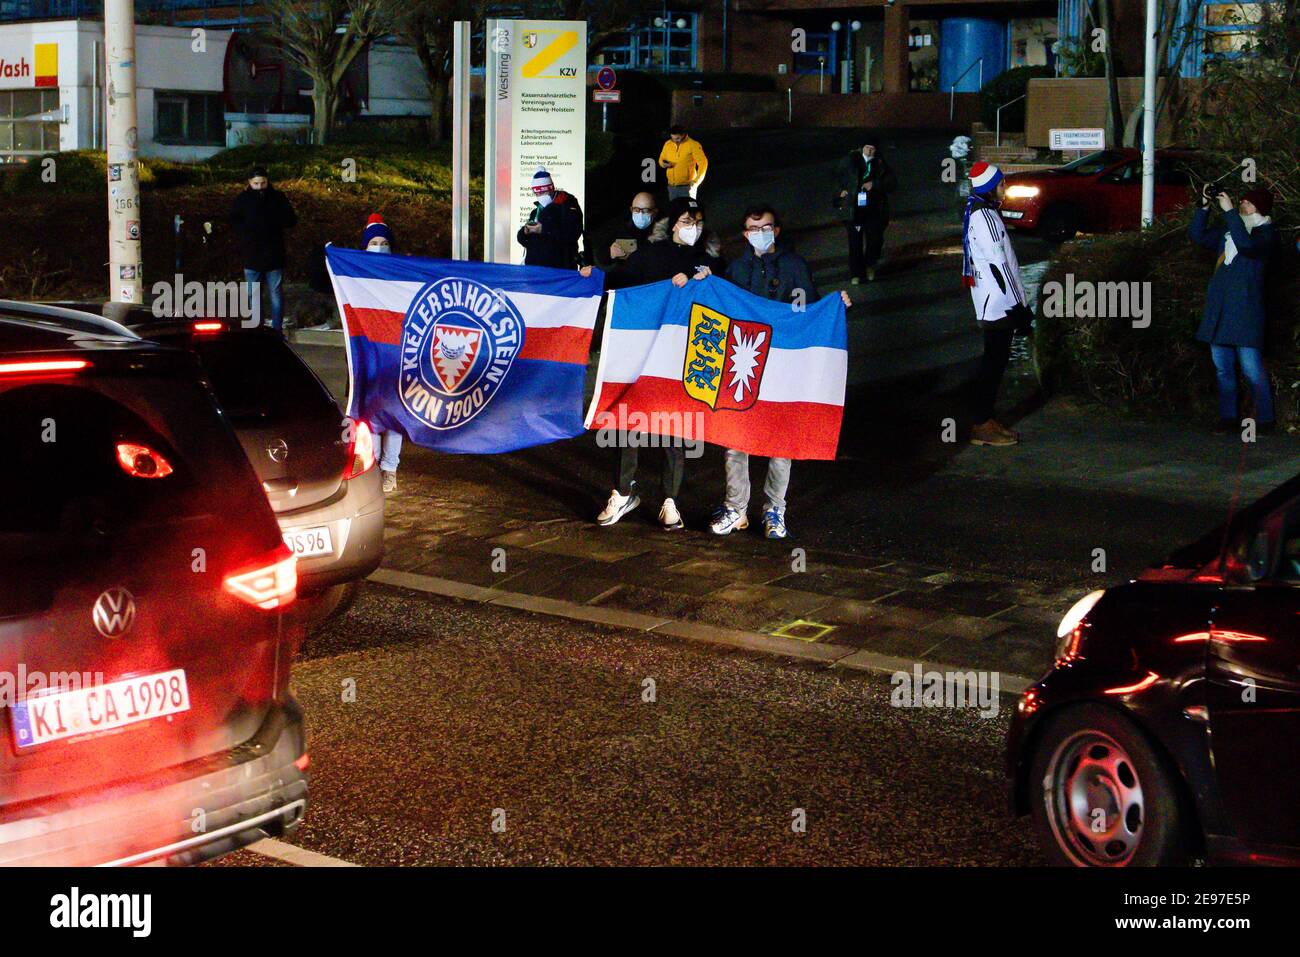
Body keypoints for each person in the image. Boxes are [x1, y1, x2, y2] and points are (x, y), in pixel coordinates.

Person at [581, 196, 724, 530]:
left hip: (680, 354)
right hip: (641, 351)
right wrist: (593, 274)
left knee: (674, 426)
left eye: (698, 222)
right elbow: (621, 280)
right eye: (688, 222)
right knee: (626, 418)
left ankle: (669, 500)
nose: (694, 228)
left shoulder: (706, 260)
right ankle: (622, 491)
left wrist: (706, 280)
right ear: (673, 224)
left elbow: (724, 294)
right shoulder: (651, 252)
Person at [710, 205, 852, 540]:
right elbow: (719, 311)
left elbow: (812, 313)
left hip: (784, 363)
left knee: (782, 438)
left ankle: (775, 509)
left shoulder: (795, 266)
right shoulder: (735, 269)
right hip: (743, 363)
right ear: (745, 233)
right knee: (734, 437)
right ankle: (736, 508)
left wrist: (835, 306)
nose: (758, 233)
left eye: (765, 227)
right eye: (751, 228)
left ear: (776, 230)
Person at [1190, 186, 1278, 433]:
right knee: (1222, 368)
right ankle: (1228, 417)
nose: (1244, 206)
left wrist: (1229, 213)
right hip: (1220, 311)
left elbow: (1247, 245)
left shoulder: (1267, 234)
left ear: (1261, 209)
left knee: (1251, 369)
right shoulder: (1231, 230)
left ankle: (1264, 419)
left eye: (1250, 204)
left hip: (1246, 313)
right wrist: (1204, 206)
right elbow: (1198, 234)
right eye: (1243, 202)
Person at [961, 161, 1032, 447]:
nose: (1005, 188)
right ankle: (981, 423)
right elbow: (1001, 266)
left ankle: (985, 419)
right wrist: (1019, 308)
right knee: (993, 363)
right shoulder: (986, 217)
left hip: (994, 300)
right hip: (999, 303)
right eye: (1002, 183)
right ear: (991, 187)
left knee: (994, 361)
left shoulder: (977, 211)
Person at [360, 213, 405, 492]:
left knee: (395, 414)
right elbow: (322, 282)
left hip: (395, 353)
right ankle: (373, 465)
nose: (378, 247)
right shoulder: (354, 274)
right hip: (367, 353)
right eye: (373, 242)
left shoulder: (400, 273)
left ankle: (390, 468)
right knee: (370, 413)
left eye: (383, 242)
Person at [231, 165, 297, 331]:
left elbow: (235, 222)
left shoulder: (243, 199)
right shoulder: (276, 198)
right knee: (272, 294)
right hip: (268, 253)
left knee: (258, 295)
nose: (259, 186)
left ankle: (262, 329)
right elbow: (290, 220)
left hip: (256, 253)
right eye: (256, 183)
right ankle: (273, 330)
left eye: (262, 183)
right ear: (250, 182)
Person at [836, 134, 898, 283]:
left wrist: (875, 185)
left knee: (875, 240)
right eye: (867, 148)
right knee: (855, 242)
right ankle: (856, 273)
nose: (869, 151)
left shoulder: (880, 163)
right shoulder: (850, 161)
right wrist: (840, 192)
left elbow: (892, 183)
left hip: (875, 210)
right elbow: (836, 177)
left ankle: (870, 264)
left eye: (872, 149)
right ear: (861, 148)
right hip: (854, 209)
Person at [517, 169, 584, 270]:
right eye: (537, 193)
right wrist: (524, 232)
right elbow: (527, 243)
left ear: (551, 188)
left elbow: (572, 234)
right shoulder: (536, 211)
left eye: (543, 192)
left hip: (560, 269)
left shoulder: (567, 206)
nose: (540, 196)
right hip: (534, 270)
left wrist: (543, 229)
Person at [591, 192, 657, 271]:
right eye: (636, 209)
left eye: (645, 210)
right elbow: (600, 262)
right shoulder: (617, 229)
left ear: (655, 211)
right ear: (631, 209)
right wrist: (610, 255)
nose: (640, 214)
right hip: (625, 278)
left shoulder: (663, 230)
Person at [658, 125, 708, 201]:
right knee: (675, 210)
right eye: (672, 138)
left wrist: (696, 182)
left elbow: (703, 163)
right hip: (672, 186)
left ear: (683, 135)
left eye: (677, 138)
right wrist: (663, 164)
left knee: (688, 210)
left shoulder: (693, 145)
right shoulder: (668, 144)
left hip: (687, 187)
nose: (674, 140)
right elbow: (661, 159)